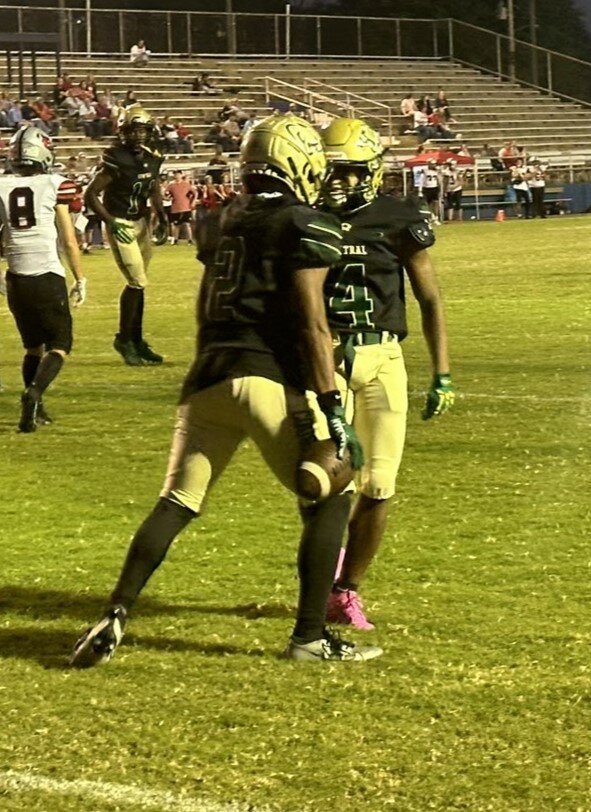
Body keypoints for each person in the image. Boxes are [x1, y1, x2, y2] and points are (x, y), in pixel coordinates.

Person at [70, 113, 380, 668]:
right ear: (298, 163)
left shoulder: (220, 219)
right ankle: (309, 636)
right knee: (332, 497)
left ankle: (116, 610)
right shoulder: (304, 223)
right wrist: (332, 406)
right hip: (263, 378)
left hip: (206, 377)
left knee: (177, 501)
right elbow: (312, 323)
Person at [319, 117, 454, 629]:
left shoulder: (398, 217)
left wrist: (441, 371)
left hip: (382, 356)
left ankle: (346, 590)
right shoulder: (307, 216)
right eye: (333, 171)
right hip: (325, 362)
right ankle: (320, 576)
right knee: (329, 480)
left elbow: (430, 298)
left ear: (372, 170)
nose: (340, 182)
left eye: (351, 172)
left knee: (379, 483)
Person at [0, 127, 87, 432]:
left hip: (15, 279)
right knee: (60, 345)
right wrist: (80, 278)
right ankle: (34, 393)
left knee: (32, 347)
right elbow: (69, 240)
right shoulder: (55, 184)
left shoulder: (2, 185)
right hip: (47, 276)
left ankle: (37, 410)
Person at [84, 104, 167, 366]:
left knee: (140, 284)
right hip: (121, 222)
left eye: (143, 131)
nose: (139, 136)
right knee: (136, 282)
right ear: (124, 131)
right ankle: (124, 339)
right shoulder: (116, 157)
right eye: (134, 130)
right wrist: (110, 221)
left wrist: (161, 215)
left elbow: (153, 186)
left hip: (142, 222)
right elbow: (90, 193)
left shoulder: (153, 155)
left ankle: (137, 340)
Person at [167, 170, 195, 244]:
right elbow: (165, 194)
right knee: (176, 225)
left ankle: (190, 240)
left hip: (186, 207)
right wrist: (167, 198)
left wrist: (193, 202)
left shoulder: (186, 184)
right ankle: (175, 240)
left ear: (181, 175)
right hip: (175, 208)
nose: (177, 176)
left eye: (178, 174)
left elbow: (195, 193)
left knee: (187, 224)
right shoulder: (171, 185)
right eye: (176, 175)